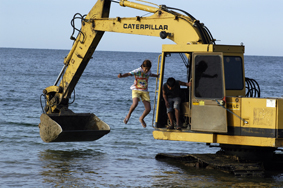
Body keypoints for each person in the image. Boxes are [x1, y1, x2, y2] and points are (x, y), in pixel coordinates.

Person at [118, 59, 159, 128]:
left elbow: (151, 74)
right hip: (136, 90)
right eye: (145, 69)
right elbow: (128, 74)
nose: (146, 70)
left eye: (148, 69)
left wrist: (157, 75)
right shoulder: (138, 71)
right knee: (135, 103)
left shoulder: (149, 72)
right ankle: (128, 115)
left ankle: (141, 118)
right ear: (142, 67)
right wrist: (122, 76)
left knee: (148, 109)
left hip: (144, 91)